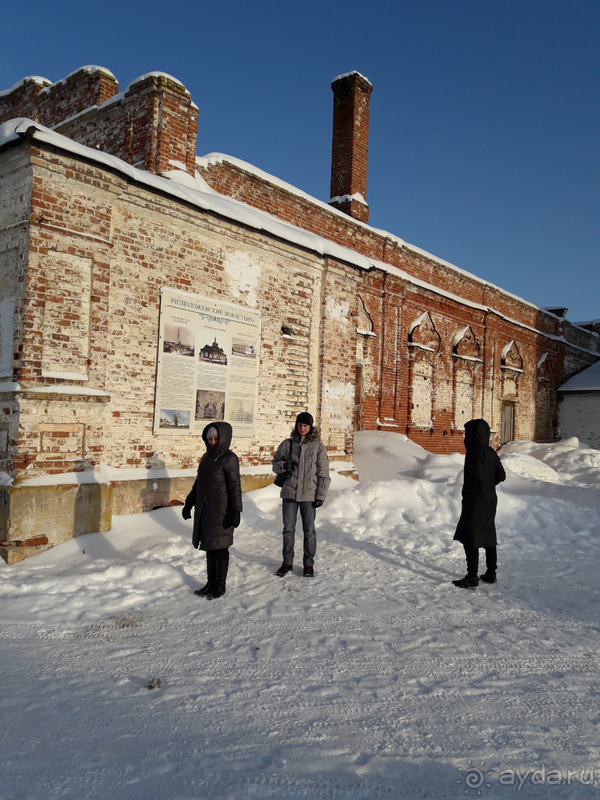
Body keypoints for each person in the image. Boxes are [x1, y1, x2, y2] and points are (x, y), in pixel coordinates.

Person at [182, 421, 242, 599]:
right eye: (210, 438)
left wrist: (236, 510)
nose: (212, 442)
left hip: (222, 511)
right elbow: (198, 483)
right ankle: (210, 582)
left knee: (221, 548)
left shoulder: (229, 458)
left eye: (215, 438)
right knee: (210, 547)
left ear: (223, 438)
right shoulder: (207, 457)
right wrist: (189, 503)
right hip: (207, 510)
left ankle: (220, 585)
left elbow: (235, 486)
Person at [272, 412, 331, 577]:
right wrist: (284, 465)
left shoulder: (318, 447)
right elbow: (275, 464)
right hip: (290, 493)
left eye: (305, 425)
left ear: (310, 427)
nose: (302, 428)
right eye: (299, 425)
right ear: (296, 426)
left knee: (309, 531)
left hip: (309, 495)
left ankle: (308, 564)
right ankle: (287, 562)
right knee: (288, 530)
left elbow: (323, 473)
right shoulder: (287, 444)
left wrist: (320, 495)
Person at [452, 418, 506, 589]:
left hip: (475, 500)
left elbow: (476, 475)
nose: (464, 437)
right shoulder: (491, 451)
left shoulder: (473, 452)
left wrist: (469, 491)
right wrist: (489, 486)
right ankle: (491, 573)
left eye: (466, 433)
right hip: (490, 498)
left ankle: (472, 576)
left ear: (472, 435)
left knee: (471, 537)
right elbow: (501, 475)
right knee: (488, 534)